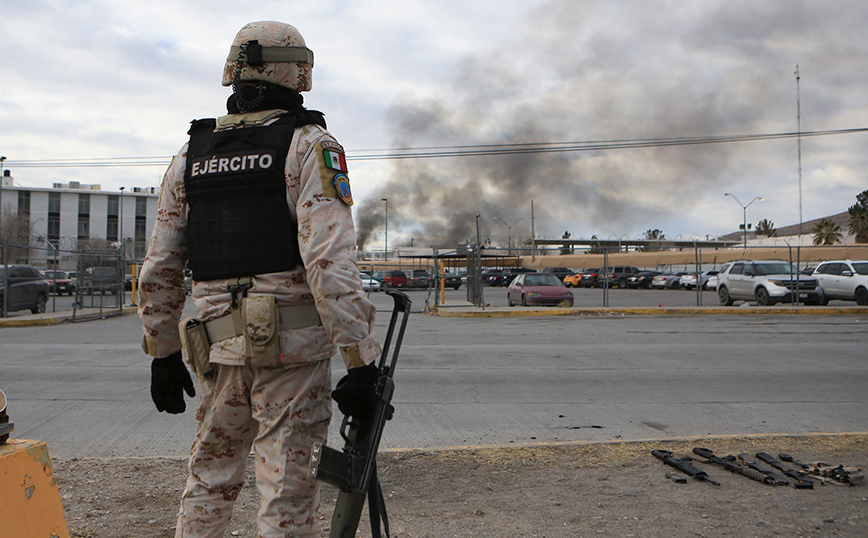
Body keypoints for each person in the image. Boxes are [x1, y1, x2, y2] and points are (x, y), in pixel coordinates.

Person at [138, 21, 381, 538]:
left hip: (215, 349)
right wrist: (360, 360)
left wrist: (162, 352)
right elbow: (328, 263)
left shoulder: (189, 156)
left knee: (208, 479)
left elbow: (160, 265)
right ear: (299, 73)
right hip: (291, 355)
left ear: (233, 72)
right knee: (287, 490)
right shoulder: (309, 145)